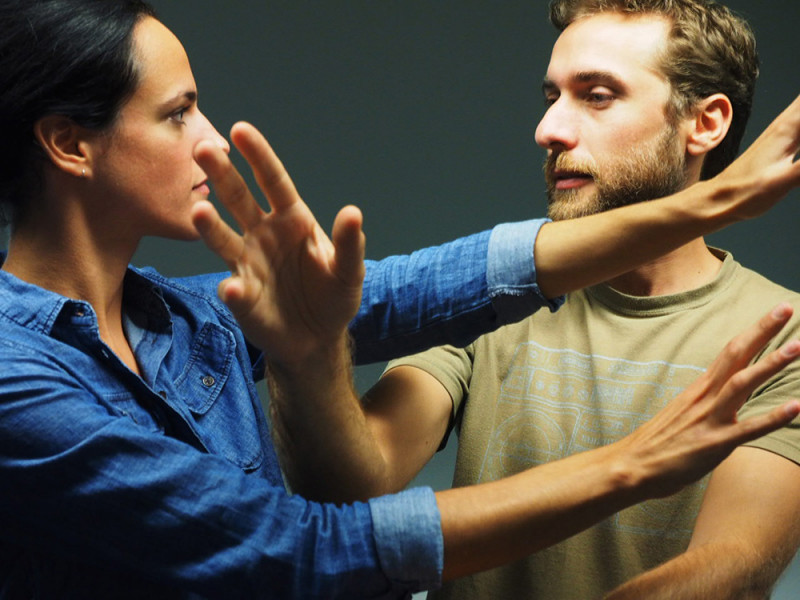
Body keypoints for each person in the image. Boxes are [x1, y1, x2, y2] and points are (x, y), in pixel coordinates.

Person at [1, 1, 799, 599]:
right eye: (178, 114)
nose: (211, 138)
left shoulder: (190, 316)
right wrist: (634, 464)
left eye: (596, 95)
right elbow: (300, 542)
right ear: (70, 144)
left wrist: (718, 201)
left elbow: (429, 283)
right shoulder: (17, 378)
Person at [270, 1, 800, 599]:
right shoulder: (494, 301)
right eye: (553, 97)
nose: (548, 131)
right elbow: (356, 490)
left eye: (596, 95)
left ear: (704, 124)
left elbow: (730, 567)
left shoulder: (782, 333)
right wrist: (307, 357)